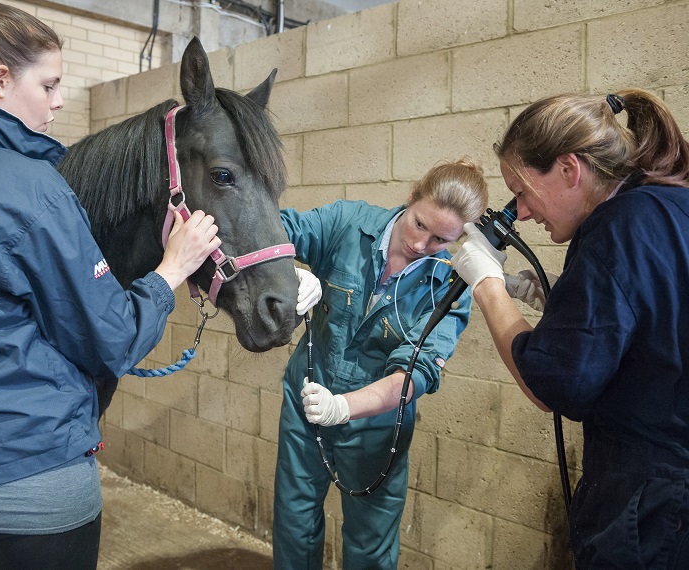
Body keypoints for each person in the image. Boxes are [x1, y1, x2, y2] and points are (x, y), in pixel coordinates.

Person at [0, 2, 223, 568]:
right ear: (0, 80)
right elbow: (109, 337)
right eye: (49, 85)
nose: (60, 100)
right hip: (32, 475)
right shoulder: (31, 187)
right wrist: (172, 269)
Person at [451, 89, 689, 568]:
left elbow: (554, 387)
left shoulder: (615, 228)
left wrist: (488, 286)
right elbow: (657, 316)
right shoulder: (668, 205)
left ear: (568, 169)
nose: (520, 212)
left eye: (521, 191)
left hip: (654, 500)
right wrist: (564, 294)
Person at [274, 160, 490, 569]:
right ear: (411, 197)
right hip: (307, 396)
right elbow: (269, 232)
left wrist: (344, 408)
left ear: (460, 239)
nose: (422, 244)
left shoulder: (448, 286)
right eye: (420, 224)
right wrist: (287, 275)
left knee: (370, 544)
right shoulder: (347, 222)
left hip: (376, 425)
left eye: (442, 239)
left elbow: (412, 377)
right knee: (294, 520)